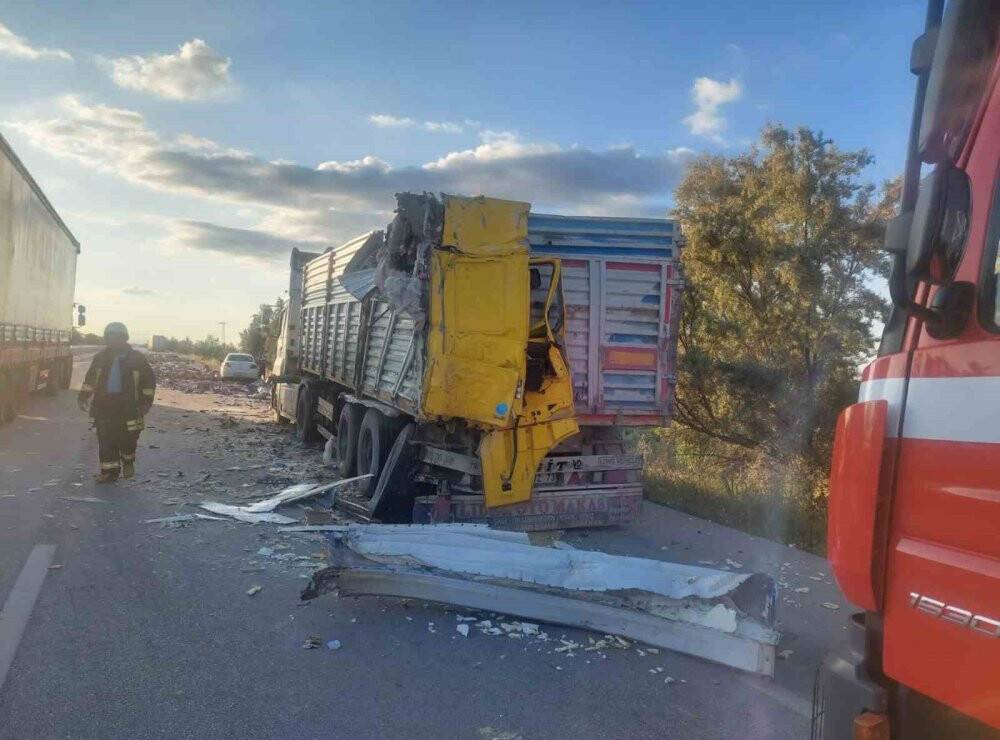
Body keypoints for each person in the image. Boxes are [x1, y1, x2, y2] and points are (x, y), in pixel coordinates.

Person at [78, 323, 156, 483]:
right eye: (109, 337)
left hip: (129, 406)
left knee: (128, 439)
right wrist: (83, 396)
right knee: (105, 439)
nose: (111, 341)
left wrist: (145, 403)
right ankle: (109, 472)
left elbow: (149, 383)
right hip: (104, 405)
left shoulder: (137, 359)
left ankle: (128, 460)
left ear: (123, 338)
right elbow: (90, 380)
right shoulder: (100, 358)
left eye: (115, 337)